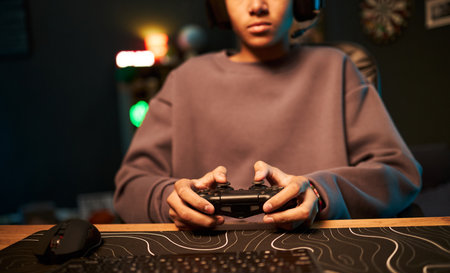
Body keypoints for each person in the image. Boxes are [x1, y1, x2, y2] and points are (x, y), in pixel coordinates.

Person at [114, 0, 422, 230]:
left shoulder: (336, 68)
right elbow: (130, 186)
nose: (257, 6)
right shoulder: (185, 79)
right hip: (204, 258)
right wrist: (169, 199)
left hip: (321, 250)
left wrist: (320, 191)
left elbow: (399, 172)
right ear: (220, 7)